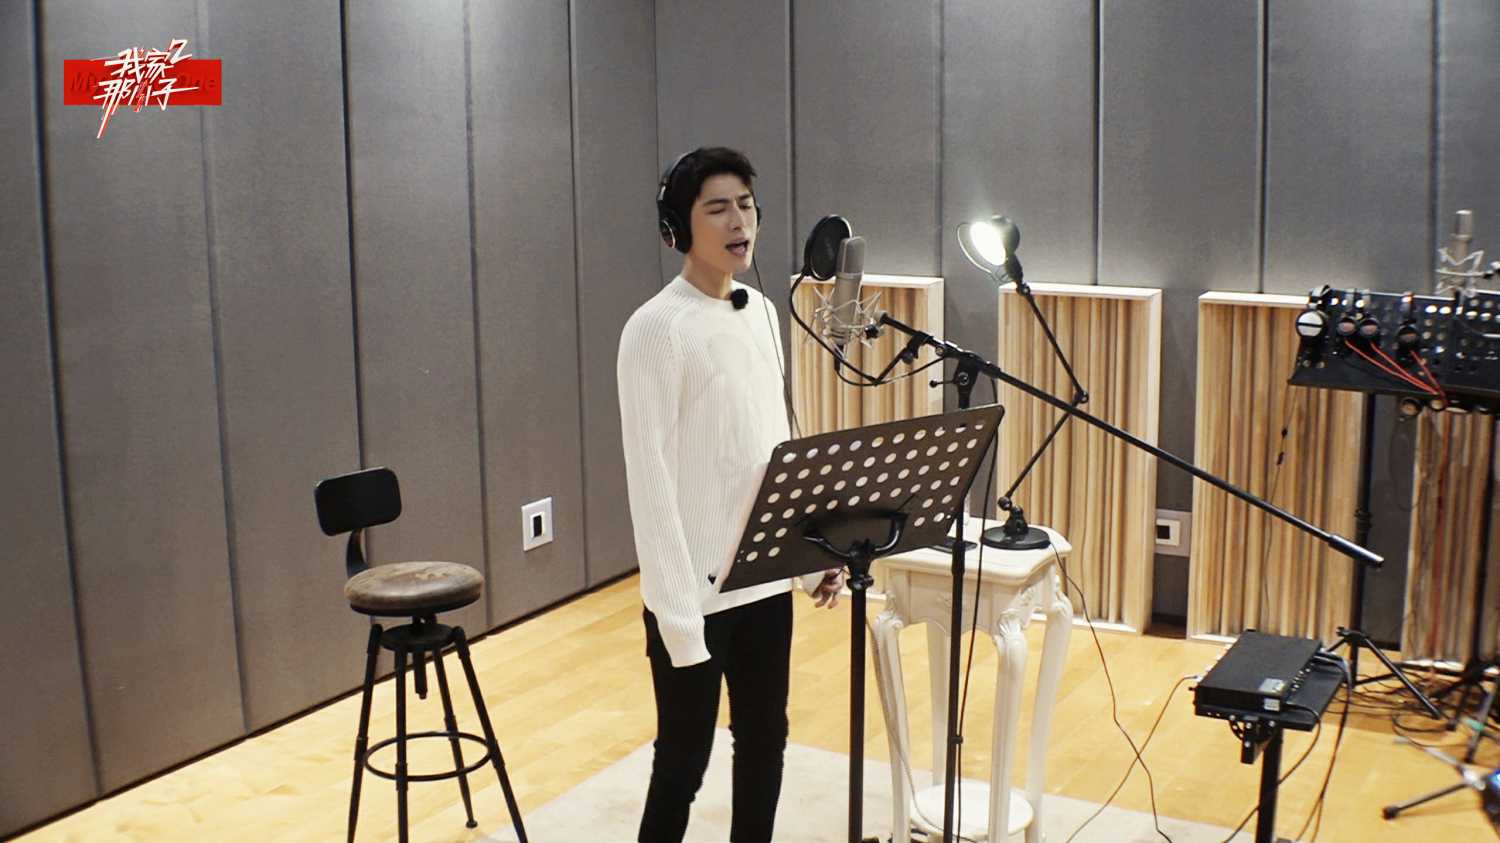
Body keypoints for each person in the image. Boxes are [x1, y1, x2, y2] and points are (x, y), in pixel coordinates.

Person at [617, 146, 843, 843]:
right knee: (683, 762)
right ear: (676, 228)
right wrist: (679, 620)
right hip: (694, 595)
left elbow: (773, 451)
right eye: (717, 208)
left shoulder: (762, 313)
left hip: (764, 581)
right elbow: (650, 482)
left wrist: (807, 555)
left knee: (766, 743)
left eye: (746, 205)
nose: (738, 220)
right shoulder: (655, 329)